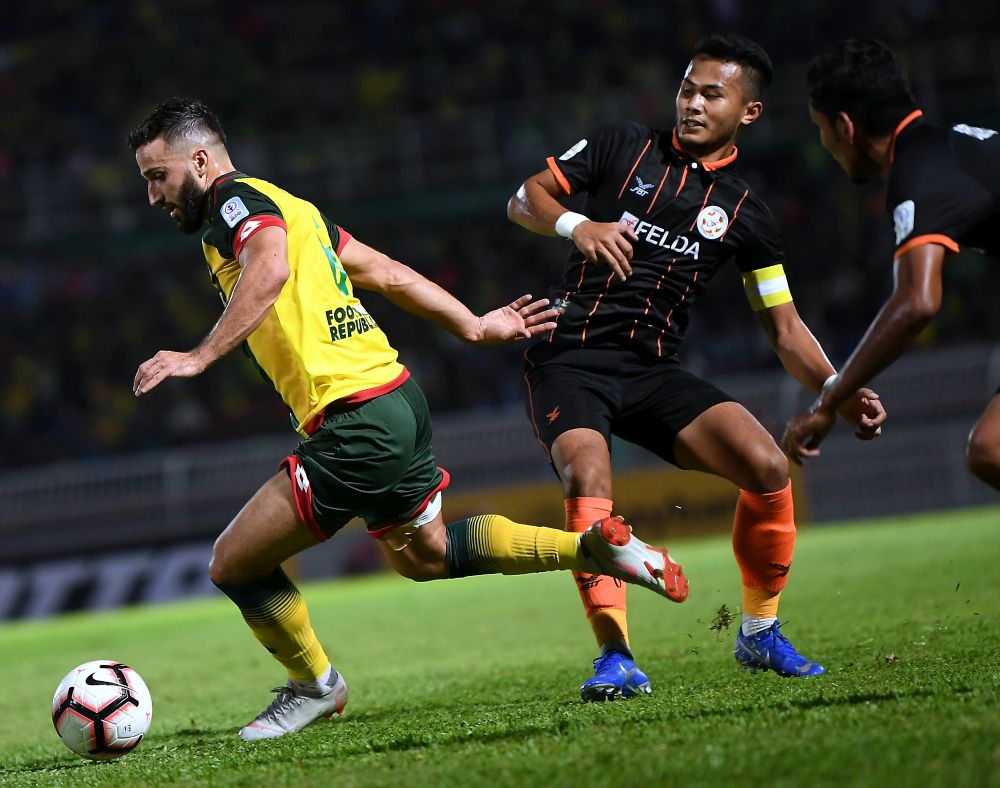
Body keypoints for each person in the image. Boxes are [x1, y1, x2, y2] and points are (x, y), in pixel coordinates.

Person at [128, 98, 690, 739]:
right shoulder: (294, 207)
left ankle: (315, 686)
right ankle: (592, 550)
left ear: (200, 161)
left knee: (232, 563)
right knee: (427, 554)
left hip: (354, 420)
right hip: (396, 400)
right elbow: (386, 273)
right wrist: (475, 325)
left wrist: (198, 357)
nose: (153, 197)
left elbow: (271, 268)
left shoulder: (235, 206)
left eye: (157, 176)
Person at [507, 34, 887, 700]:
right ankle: (616, 656)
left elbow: (784, 326)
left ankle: (760, 633)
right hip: (569, 358)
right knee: (590, 477)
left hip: (653, 370)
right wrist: (577, 226)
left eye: (713, 93)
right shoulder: (623, 146)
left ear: (749, 112)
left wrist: (839, 387)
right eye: (687, 87)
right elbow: (524, 197)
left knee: (768, 466)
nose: (693, 103)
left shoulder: (745, 213)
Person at [783, 38, 1000, 491]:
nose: (825, 144)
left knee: (991, 450)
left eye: (820, 129)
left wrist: (829, 401)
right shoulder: (951, 146)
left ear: (845, 126)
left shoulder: (918, 173)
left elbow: (918, 302)